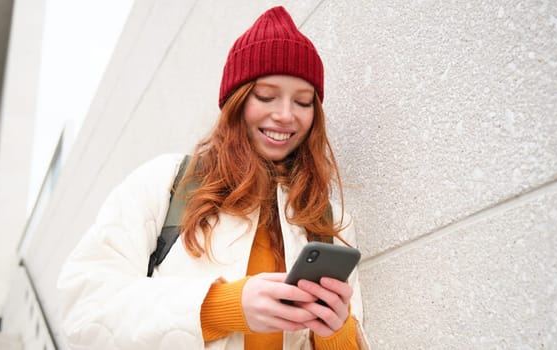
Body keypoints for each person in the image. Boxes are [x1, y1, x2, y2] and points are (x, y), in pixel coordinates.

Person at [57, 6, 369, 349]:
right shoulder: (169, 182)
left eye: (303, 101)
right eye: (266, 96)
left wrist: (335, 332)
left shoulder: (329, 220)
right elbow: (82, 306)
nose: (285, 115)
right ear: (235, 100)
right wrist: (221, 307)